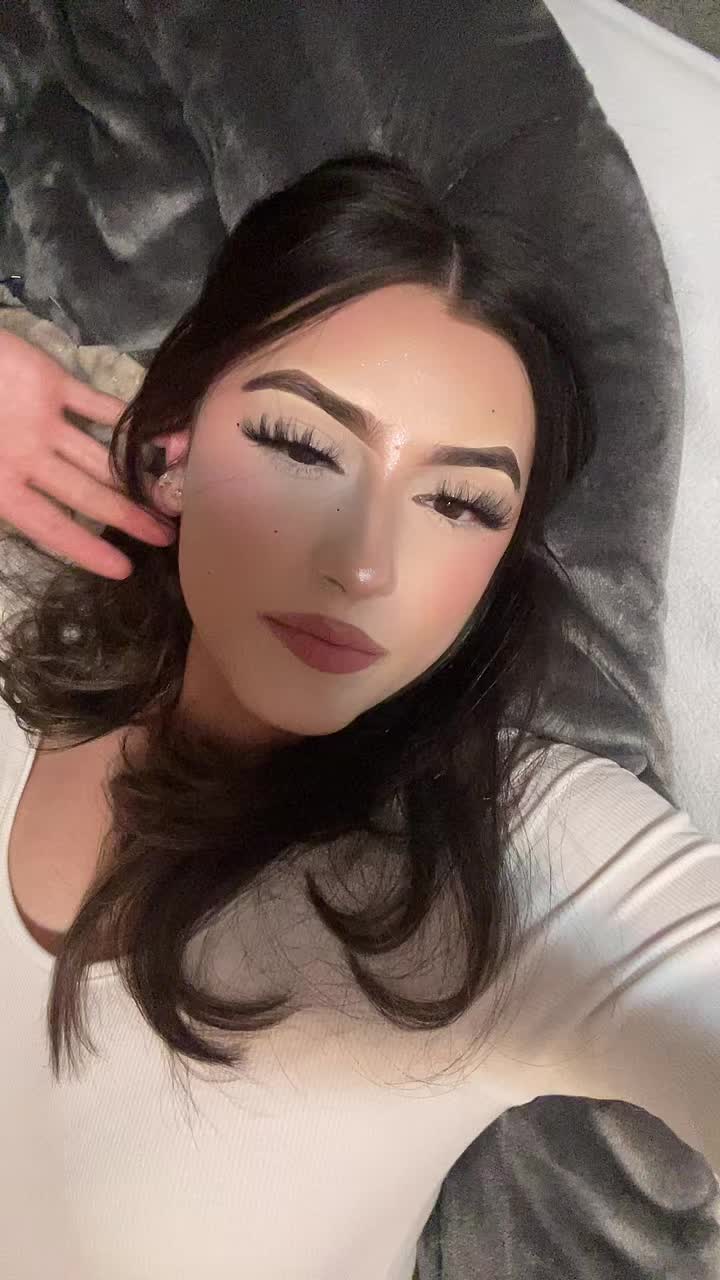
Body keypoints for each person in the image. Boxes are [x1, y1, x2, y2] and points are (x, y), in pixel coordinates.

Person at [0, 151, 717, 1280]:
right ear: (172, 449)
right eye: (302, 445)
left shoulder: (515, 859)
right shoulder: (29, 614)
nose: (364, 563)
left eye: (460, 501)